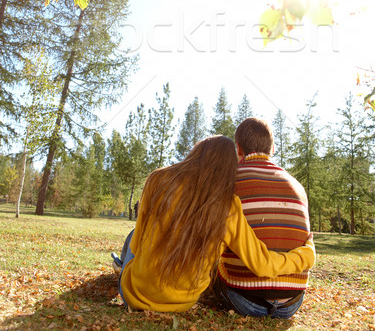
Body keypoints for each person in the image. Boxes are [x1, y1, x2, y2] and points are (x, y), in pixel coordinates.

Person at [112, 135, 315, 313]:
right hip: (182, 302)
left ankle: (121, 268)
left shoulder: (158, 179)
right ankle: (124, 268)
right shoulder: (229, 206)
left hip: (135, 293)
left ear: (197, 154)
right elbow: (263, 265)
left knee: (132, 235)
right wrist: (305, 256)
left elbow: (137, 245)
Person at [215, 118, 311, 319]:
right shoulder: (298, 187)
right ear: (272, 148)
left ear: (238, 149)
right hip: (292, 302)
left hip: (244, 299)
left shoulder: (227, 181)